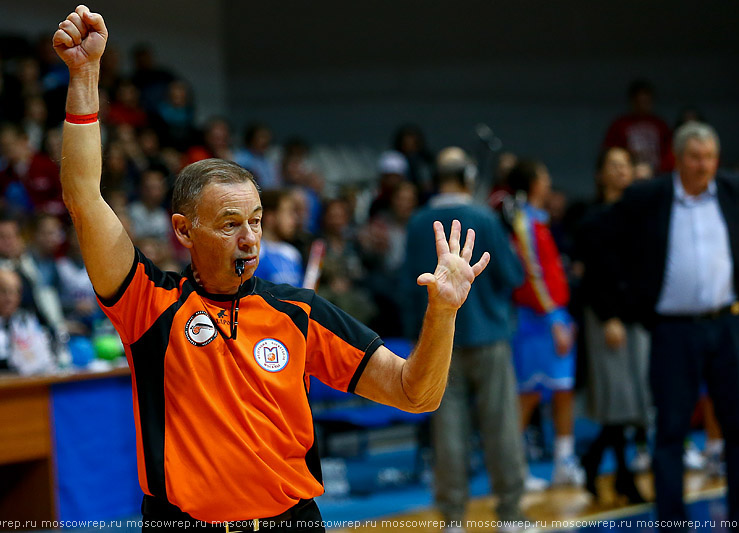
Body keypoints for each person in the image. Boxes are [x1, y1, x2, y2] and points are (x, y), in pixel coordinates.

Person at [52, 7, 491, 530]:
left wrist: (442, 313)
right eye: (230, 222)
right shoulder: (147, 304)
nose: (250, 237)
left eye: (256, 220)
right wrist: (85, 76)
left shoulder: (300, 313)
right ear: (184, 230)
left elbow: (416, 393)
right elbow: (83, 197)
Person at [605, 122, 739, 531]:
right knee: (670, 430)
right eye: (695, 157)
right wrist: (622, 301)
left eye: (709, 157)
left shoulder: (736, 190)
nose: (703, 165)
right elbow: (606, 241)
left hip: (728, 324)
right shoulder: (648, 196)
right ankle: (672, 522)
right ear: (678, 159)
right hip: (672, 330)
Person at [402, 147, 526, 530]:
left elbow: (407, 287)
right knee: (501, 426)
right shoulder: (483, 217)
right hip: (488, 335)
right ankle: (510, 515)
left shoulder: (418, 222)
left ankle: (453, 520)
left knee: (447, 431)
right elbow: (512, 275)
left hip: (440, 343)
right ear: (468, 177)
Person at [574, 147, 649, 504]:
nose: (621, 171)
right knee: (619, 400)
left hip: (638, 315)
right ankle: (622, 476)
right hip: (607, 317)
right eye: (613, 165)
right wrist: (609, 318)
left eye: (626, 166)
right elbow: (592, 278)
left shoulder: (641, 215)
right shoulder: (592, 220)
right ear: (600, 174)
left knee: (635, 402)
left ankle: (594, 461)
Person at [505, 159, 583, 487]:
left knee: (563, 390)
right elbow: (533, 277)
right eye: (545, 175)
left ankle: (563, 462)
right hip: (536, 322)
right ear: (534, 183)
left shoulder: (538, 220)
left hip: (553, 315)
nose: (549, 181)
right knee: (528, 395)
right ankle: (513, 470)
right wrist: (554, 319)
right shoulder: (523, 223)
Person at [256, 189, 304, 287]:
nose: (294, 219)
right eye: (289, 212)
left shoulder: (293, 254)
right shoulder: (255, 252)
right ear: (270, 217)